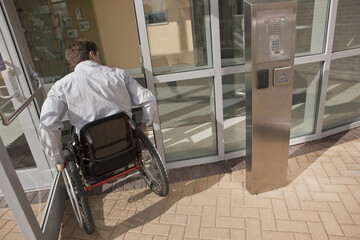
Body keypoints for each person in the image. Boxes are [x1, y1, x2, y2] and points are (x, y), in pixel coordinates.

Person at [39, 39, 156, 172]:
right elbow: (148, 98)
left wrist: (58, 158)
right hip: (126, 143)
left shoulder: (62, 86)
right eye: (98, 55)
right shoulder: (118, 74)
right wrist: (145, 125)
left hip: (92, 153)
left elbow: (47, 124)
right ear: (92, 55)